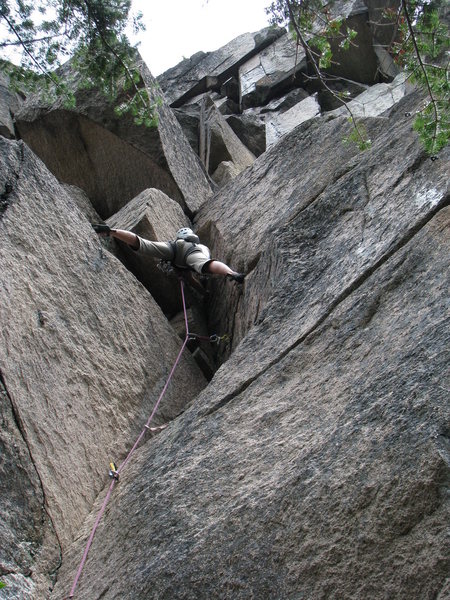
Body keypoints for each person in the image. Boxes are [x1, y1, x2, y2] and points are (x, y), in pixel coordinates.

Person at [93, 224, 245, 283]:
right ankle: (231, 273)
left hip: (174, 250)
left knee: (144, 244)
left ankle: (111, 231)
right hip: (191, 253)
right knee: (205, 264)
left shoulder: (175, 243)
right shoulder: (200, 246)